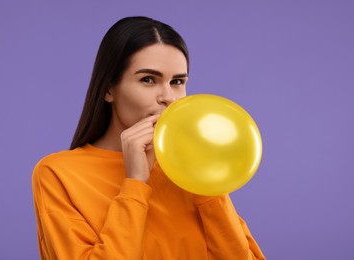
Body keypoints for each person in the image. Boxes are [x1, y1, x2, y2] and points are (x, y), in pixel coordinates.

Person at [32, 16, 266, 260]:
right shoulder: (57, 174)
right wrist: (135, 185)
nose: (168, 97)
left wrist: (206, 181)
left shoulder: (192, 173)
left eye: (177, 81)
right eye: (148, 80)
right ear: (108, 89)